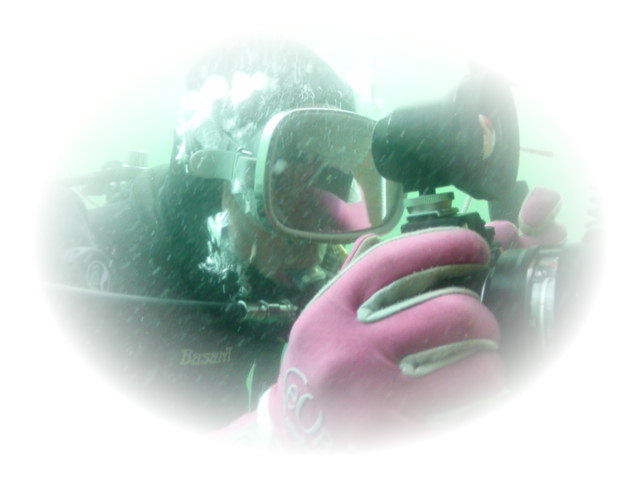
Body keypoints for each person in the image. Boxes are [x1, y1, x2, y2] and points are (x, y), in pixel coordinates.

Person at [39, 35, 358, 430]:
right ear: (211, 181)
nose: (315, 248)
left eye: (331, 200)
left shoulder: (324, 280)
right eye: (283, 199)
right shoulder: (94, 282)